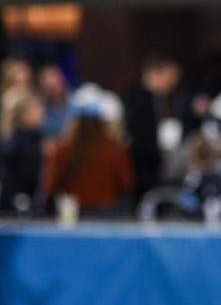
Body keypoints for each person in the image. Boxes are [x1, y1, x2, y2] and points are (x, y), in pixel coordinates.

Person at [42, 85, 134, 216]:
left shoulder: (62, 149)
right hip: (107, 215)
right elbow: (126, 184)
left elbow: (50, 187)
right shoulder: (114, 148)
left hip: (72, 216)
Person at [123, 54, 183, 199]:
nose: (173, 83)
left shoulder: (160, 100)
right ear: (157, 73)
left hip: (152, 166)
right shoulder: (137, 98)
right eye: (170, 77)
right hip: (139, 168)